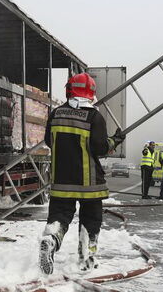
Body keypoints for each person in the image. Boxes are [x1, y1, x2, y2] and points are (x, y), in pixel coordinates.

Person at [39, 73, 122, 274]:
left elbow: (50, 142)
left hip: (61, 181)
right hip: (89, 183)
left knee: (59, 215)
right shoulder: (94, 116)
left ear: (69, 89)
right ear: (91, 92)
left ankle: (50, 239)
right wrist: (115, 140)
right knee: (91, 220)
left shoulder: (56, 114)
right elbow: (100, 147)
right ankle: (86, 259)